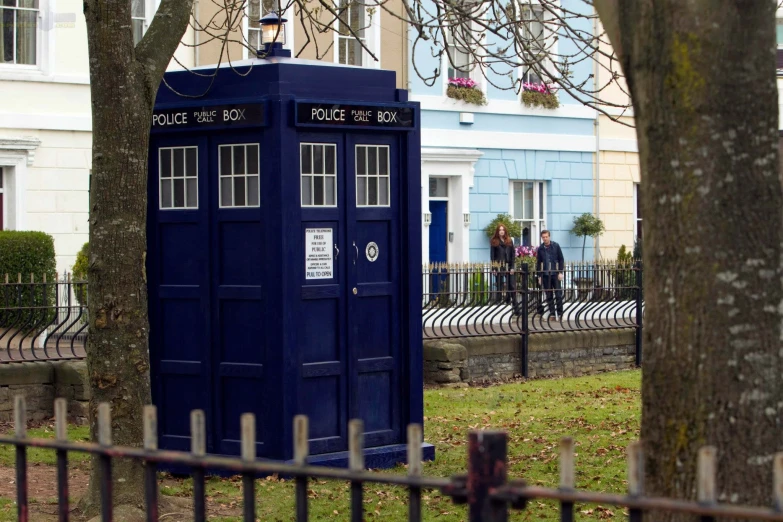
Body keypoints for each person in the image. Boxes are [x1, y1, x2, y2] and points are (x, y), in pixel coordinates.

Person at [536, 230, 564, 320]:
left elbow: (561, 259)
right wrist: (539, 276)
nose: (545, 238)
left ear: (549, 237)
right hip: (545, 275)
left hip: (555, 274)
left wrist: (560, 272)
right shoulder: (540, 248)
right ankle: (552, 314)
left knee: (558, 294)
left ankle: (560, 314)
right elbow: (538, 263)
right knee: (549, 295)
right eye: (543, 237)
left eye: (546, 237)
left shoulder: (556, 246)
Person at [490, 224, 516, 306]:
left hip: (508, 265)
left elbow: (513, 254)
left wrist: (512, 267)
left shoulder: (509, 240)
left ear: (505, 231)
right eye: (500, 230)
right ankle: (498, 302)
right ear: (498, 231)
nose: (501, 231)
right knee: (499, 285)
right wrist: (494, 268)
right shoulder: (494, 241)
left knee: (511, 285)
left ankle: (512, 304)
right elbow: (492, 256)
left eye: (503, 230)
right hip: (499, 265)